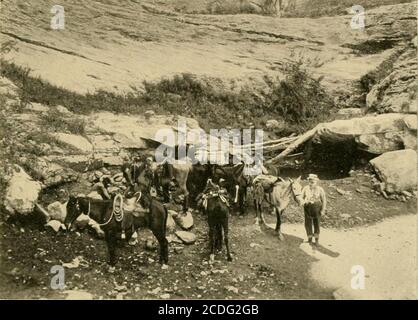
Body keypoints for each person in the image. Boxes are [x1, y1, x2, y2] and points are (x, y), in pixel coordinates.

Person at [301, 174, 327, 245]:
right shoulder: (305, 188)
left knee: (317, 223)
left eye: (312, 182)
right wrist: (303, 202)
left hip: (317, 208)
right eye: (309, 182)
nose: (310, 184)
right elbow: (301, 197)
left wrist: (323, 210)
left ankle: (316, 239)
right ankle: (309, 238)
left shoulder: (320, 189)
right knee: (307, 223)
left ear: (316, 182)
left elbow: (324, 200)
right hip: (307, 208)